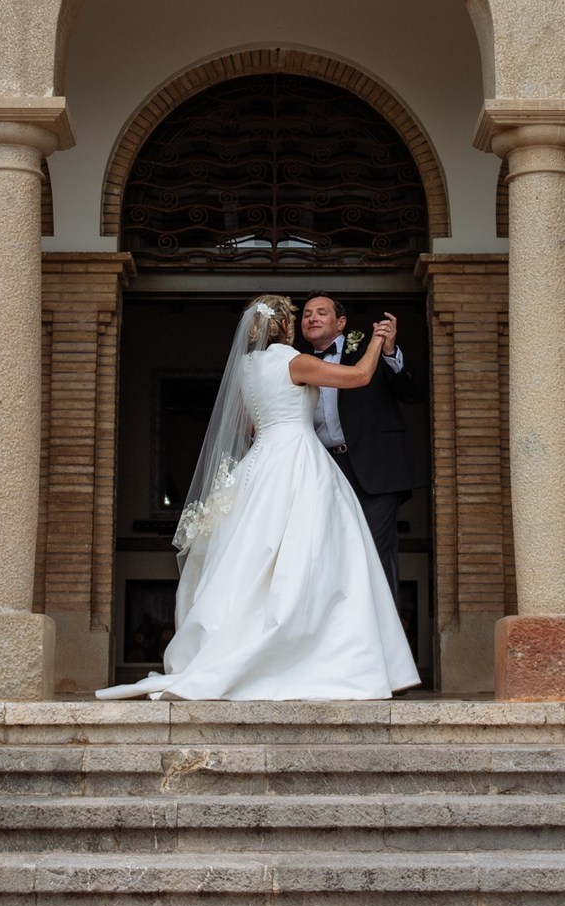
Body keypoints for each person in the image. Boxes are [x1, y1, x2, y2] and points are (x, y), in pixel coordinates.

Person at [97, 294, 421, 701]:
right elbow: (357, 377)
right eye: (300, 316)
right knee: (318, 557)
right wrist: (375, 341)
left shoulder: (247, 368)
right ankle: (323, 654)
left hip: (261, 462)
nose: (307, 320)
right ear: (286, 327)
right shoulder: (294, 361)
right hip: (299, 459)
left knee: (253, 558)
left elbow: (250, 424)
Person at [299, 293, 424, 604]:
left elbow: (412, 393)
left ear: (340, 323)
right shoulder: (298, 365)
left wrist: (390, 350)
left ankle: (385, 638)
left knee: (374, 550)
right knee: (330, 553)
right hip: (325, 470)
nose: (312, 317)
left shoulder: (369, 351)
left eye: (321, 312)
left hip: (377, 467)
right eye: (306, 314)